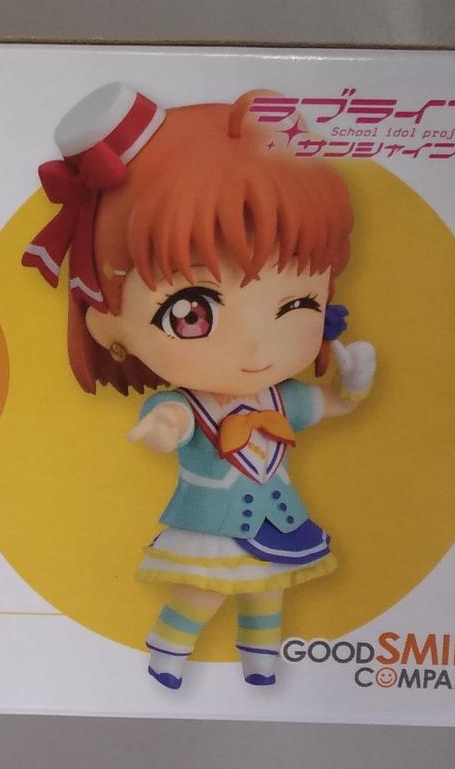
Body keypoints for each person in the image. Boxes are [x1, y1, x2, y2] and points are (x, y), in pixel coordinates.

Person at [22, 83, 377, 689]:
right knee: (201, 594)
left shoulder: (280, 398)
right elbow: (171, 423)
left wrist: (355, 384)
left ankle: (260, 661)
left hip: (279, 522)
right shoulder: (189, 405)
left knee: (268, 594)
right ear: (109, 322)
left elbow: (331, 404)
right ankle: (167, 652)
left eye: (296, 303)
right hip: (212, 526)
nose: (256, 350)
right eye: (192, 314)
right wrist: (161, 429)